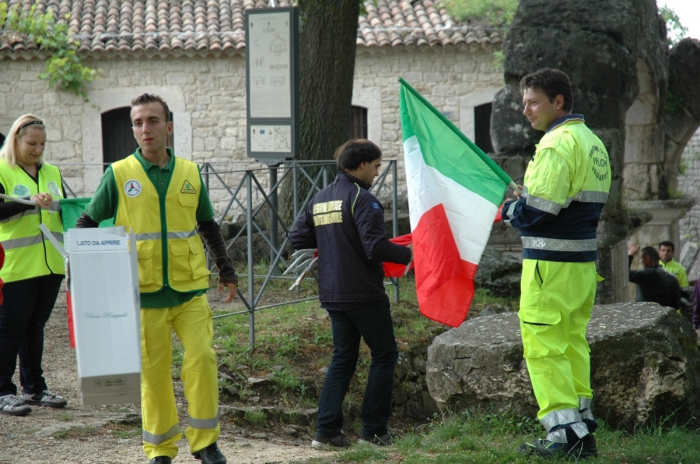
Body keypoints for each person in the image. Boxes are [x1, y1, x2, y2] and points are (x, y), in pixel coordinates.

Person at [75, 94, 237, 464]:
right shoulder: (117, 174)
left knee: (202, 360)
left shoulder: (191, 173)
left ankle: (205, 444)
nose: (144, 129)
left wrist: (227, 271)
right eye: (137, 123)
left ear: (169, 126)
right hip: (142, 293)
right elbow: (86, 223)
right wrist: (87, 269)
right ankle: (160, 449)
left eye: (152, 121)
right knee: (154, 374)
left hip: (190, 289)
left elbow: (208, 225)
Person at [499, 69, 610, 459]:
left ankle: (563, 435)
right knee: (572, 343)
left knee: (544, 346)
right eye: (524, 102)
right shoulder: (592, 142)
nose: (525, 110)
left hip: (550, 266)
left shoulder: (555, 144)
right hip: (581, 266)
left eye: (533, 102)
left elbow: (537, 212)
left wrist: (510, 209)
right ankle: (582, 431)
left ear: (557, 101)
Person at [288, 139, 413, 449]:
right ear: (360, 165)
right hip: (363, 293)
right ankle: (374, 432)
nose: (376, 172)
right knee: (384, 355)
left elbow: (296, 238)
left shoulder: (320, 198)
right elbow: (374, 247)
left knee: (343, 358)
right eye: (375, 166)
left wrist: (329, 247)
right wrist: (408, 255)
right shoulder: (364, 199)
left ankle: (326, 432)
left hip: (332, 293)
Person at [0, 115, 68, 416]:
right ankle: (3, 391)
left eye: (42, 144)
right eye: (31, 143)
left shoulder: (52, 170)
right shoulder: (2, 169)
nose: (38, 149)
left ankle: (34, 387)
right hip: (15, 265)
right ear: (15, 140)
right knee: (10, 330)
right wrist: (27, 201)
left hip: (50, 263)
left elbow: (63, 208)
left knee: (35, 327)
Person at [628, 244, 682, 309]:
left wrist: (630, 255)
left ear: (647, 259)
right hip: (664, 316)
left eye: (641, 259)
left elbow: (627, 275)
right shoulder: (672, 278)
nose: (640, 261)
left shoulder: (647, 275)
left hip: (647, 315)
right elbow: (676, 303)